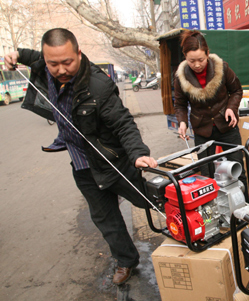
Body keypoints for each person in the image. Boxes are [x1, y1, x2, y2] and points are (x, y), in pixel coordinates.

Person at [4, 28, 158, 285]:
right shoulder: (44, 64)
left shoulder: (98, 86)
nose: (61, 69)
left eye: (67, 62)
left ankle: (194, 229)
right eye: (53, 63)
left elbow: (123, 123)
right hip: (82, 164)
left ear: (78, 53)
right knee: (105, 218)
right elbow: (31, 57)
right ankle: (126, 260)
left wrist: (138, 154)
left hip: (113, 161)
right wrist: (16, 54)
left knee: (154, 199)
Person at [174, 30, 247, 192]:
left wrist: (231, 108)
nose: (197, 65)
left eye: (200, 59)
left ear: (208, 53)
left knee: (237, 168)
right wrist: (182, 122)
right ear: (185, 56)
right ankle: (214, 210)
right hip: (202, 130)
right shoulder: (181, 77)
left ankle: (246, 206)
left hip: (227, 125)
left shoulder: (222, 68)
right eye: (192, 61)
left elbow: (236, 90)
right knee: (207, 173)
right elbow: (179, 104)